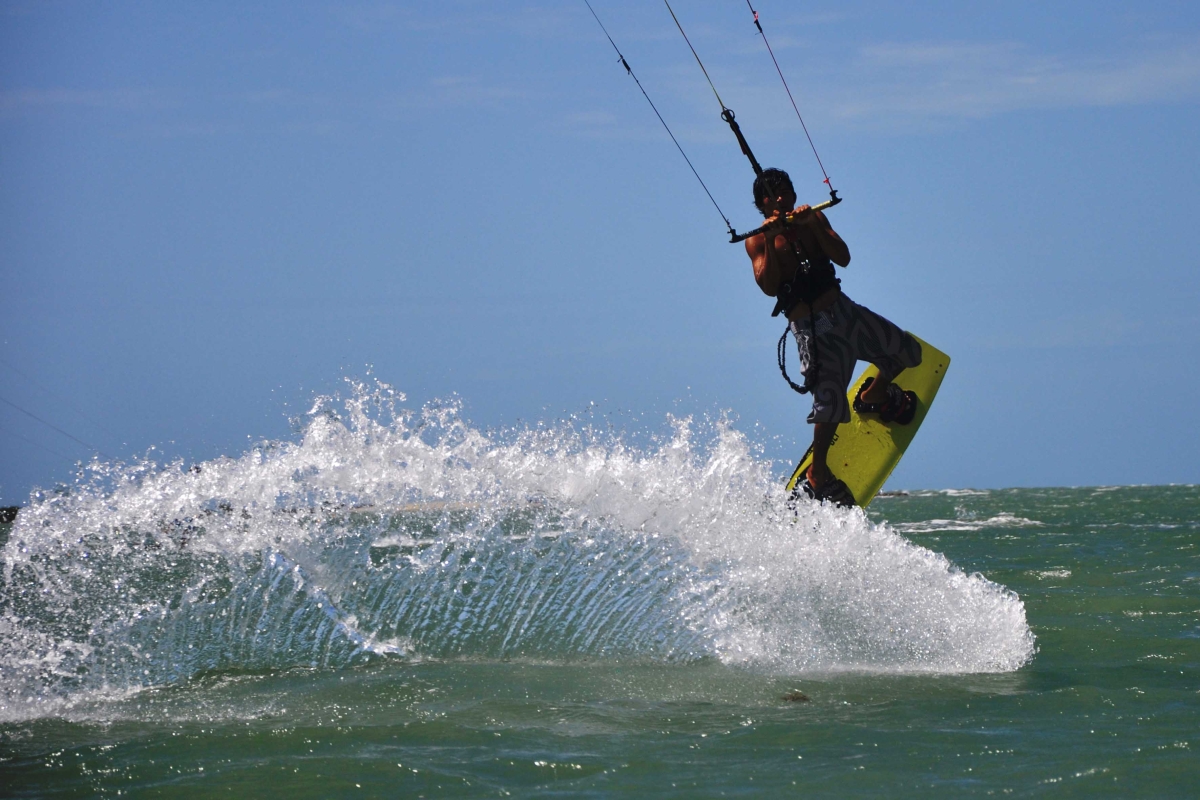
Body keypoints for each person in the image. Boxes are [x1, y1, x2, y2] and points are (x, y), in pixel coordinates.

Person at [745, 168, 922, 507]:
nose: (780, 197)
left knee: (906, 351)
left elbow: (843, 257)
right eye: (772, 193)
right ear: (762, 203)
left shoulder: (814, 218)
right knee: (829, 405)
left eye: (785, 190)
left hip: (845, 311)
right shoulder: (757, 239)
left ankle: (876, 395)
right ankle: (818, 474)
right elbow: (768, 287)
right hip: (814, 330)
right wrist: (770, 239)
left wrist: (812, 225)